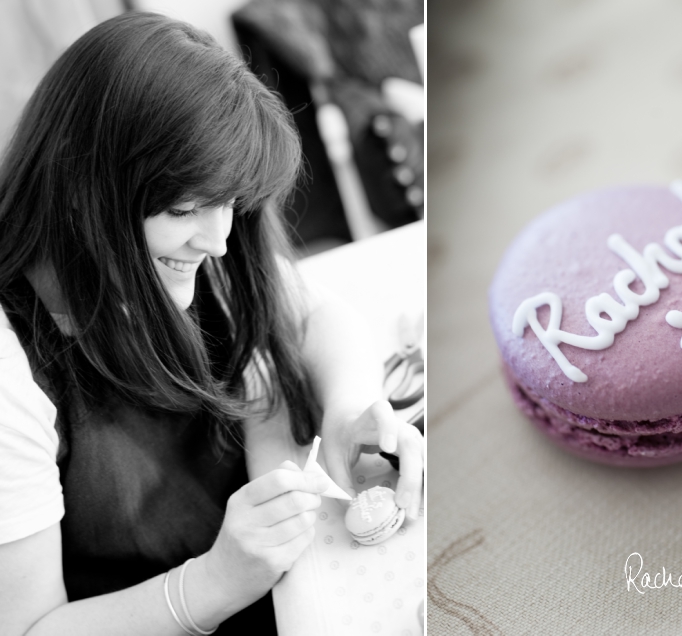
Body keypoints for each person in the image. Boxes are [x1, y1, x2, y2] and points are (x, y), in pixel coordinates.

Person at [0, 11, 423, 636]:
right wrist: (212, 584)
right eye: (184, 207)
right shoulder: (13, 373)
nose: (220, 240)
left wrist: (350, 408)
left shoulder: (195, 244)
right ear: (80, 186)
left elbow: (314, 315)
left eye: (230, 203)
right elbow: (30, 626)